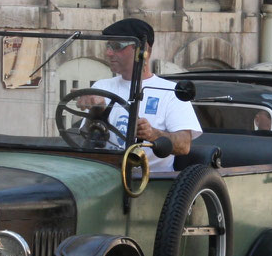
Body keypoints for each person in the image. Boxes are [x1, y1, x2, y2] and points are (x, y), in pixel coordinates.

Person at [83, 18, 202, 172]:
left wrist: (152, 134)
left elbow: (184, 145)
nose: (108, 53)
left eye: (117, 46)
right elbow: (84, 140)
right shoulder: (102, 86)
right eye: (108, 45)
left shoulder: (170, 92)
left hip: (151, 181)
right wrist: (95, 113)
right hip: (105, 174)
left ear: (142, 50)